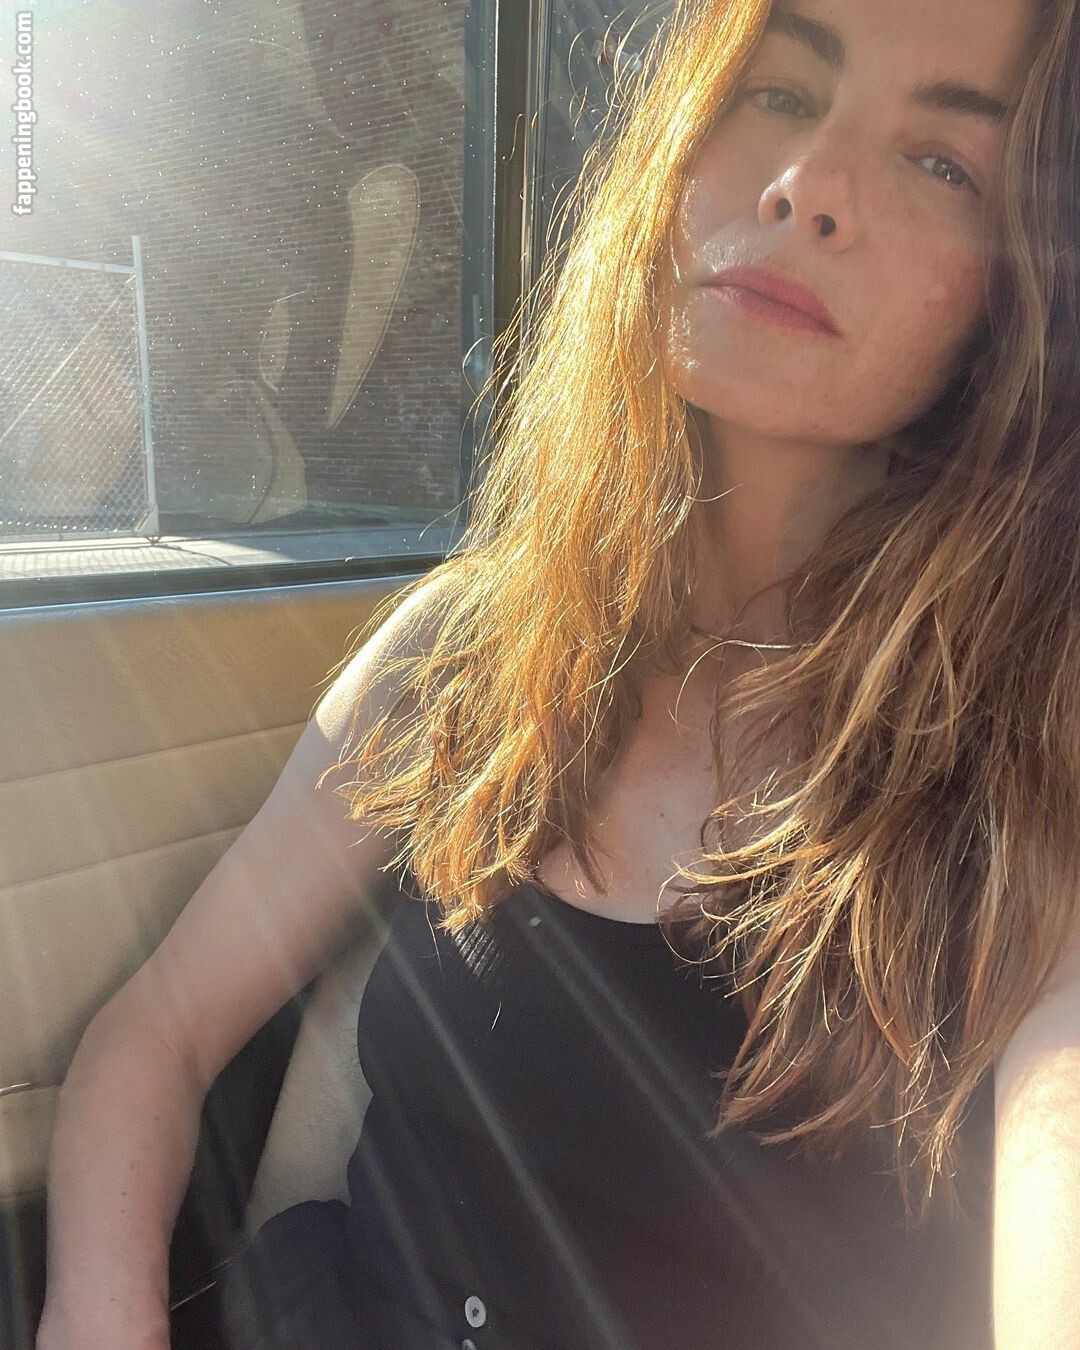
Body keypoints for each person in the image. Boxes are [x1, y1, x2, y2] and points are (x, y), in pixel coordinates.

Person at [35, 0, 1080, 1345]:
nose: (808, 184)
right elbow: (153, 1039)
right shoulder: (472, 644)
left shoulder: (1026, 783)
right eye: (777, 92)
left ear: (1022, 294)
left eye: (941, 162)